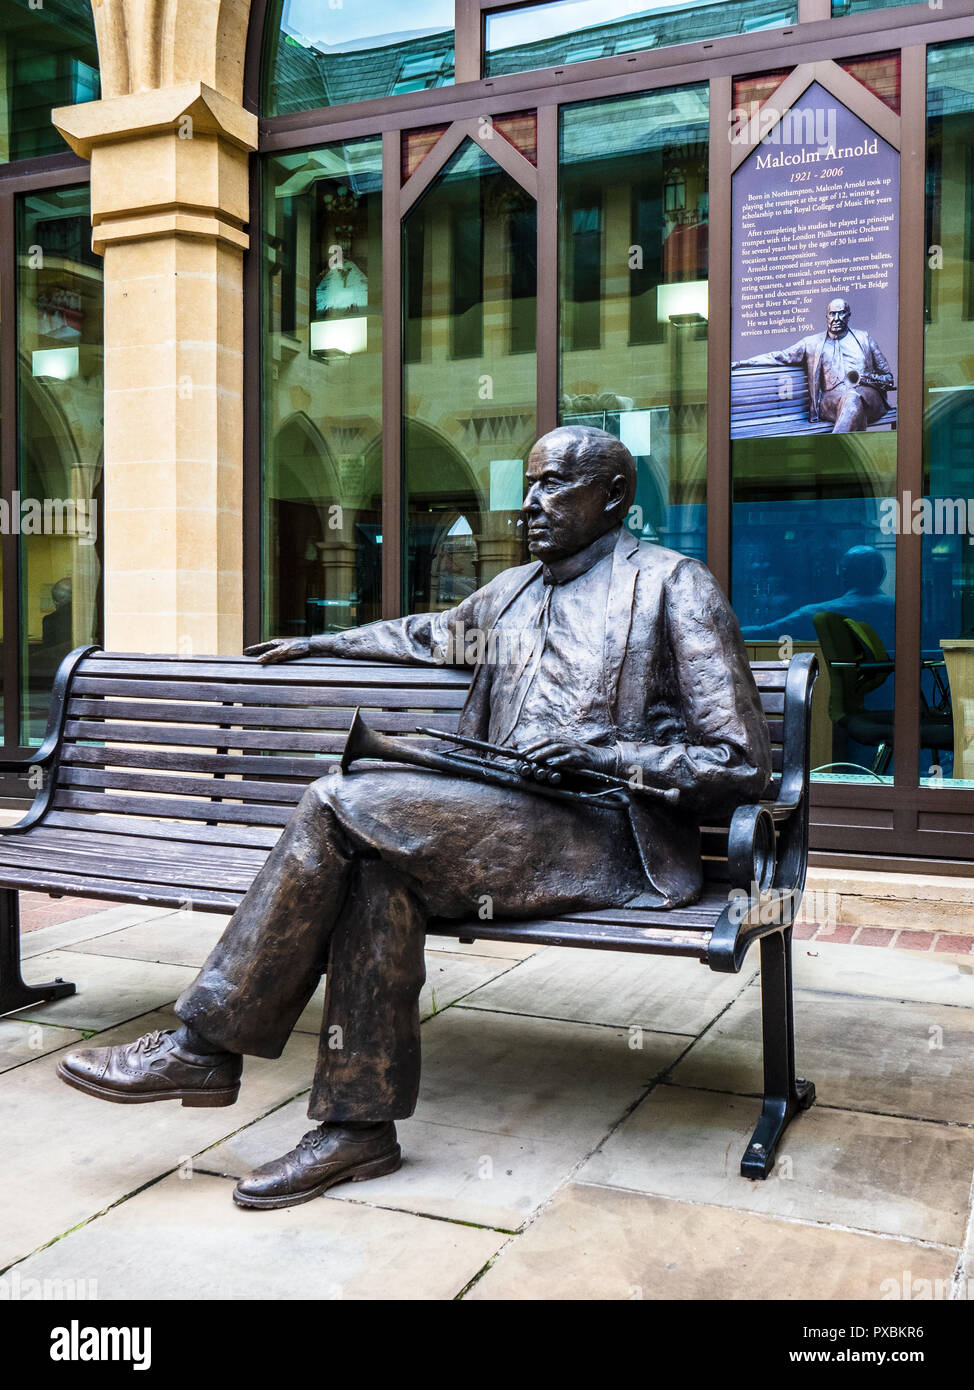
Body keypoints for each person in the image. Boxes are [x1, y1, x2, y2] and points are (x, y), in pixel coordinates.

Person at [57, 426, 771, 1211]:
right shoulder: (513, 592)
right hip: (502, 824)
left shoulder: (675, 585)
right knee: (373, 870)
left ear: (613, 496)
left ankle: (204, 1043)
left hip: (603, 836)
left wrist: (600, 753)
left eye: (554, 485)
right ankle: (357, 1129)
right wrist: (323, 639)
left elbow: (738, 764)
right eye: (527, 485)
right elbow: (421, 633)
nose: (529, 504)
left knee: (341, 800)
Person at [732, 298, 894, 433]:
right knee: (851, 403)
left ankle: (836, 450)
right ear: (826, 316)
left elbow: (888, 378)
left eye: (841, 313)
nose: (836, 318)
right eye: (832, 314)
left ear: (848, 316)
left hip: (867, 397)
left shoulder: (864, 338)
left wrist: (865, 379)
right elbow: (779, 356)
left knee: (852, 398)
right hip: (830, 402)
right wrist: (742, 362)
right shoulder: (811, 343)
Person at [741, 545, 895, 652]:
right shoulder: (900, 610)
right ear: (882, 574)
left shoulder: (816, 613)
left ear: (843, 574)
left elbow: (765, 632)